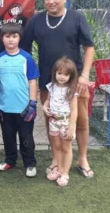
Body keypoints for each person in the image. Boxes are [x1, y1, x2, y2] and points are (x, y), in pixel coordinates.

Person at [20, 0, 95, 178]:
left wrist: (85, 75)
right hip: (47, 80)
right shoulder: (36, 20)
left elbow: (89, 47)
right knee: (51, 118)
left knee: (80, 119)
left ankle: (82, 159)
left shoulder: (76, 17)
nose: (51, 1)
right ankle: (56, 158)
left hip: (75, 80)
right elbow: (24, 51)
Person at [0, 23, 39, 177]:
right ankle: (10, 160)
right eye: (7, 36)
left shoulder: (26, 58)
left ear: (19, 38)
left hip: (24, 108)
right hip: (5, 107)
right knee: (8, 136)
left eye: (14, 36)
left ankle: (30, 163)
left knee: (26, 138)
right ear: (2, 38)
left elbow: (33, 81)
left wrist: (32, 103)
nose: (11, 40)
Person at [42, 57, 78, 186]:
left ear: (71, 76)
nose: (62, 77)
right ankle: (58, 167)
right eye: (59, 73)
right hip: (53, 121)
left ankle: (65, 172)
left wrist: (71, 126)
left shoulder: (71, 90)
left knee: (66, 147)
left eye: (66, 74)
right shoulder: (51, 86)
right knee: (56, 146)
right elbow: (48, 100)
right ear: (55, 73)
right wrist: (45, 107)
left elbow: (74, 110)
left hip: (65, 122)